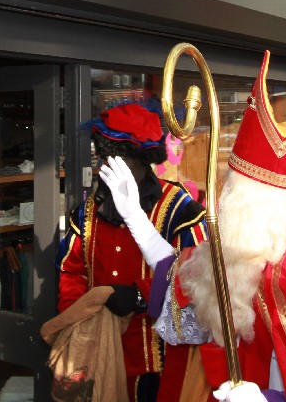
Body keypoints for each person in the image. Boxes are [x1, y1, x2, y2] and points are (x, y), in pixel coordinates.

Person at [103, 53, 286, 401]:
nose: (224, 202)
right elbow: (183, 280)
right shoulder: (244, 259)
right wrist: (136, 218)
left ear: (250, 204)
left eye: (232, 192)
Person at [57, 100, 207, 401]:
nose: (107, 167)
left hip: (158, 358)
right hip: (98, 350)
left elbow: (197, 278)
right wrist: (78, 317)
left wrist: (140, 295)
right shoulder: (86, 212)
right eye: (104, 158)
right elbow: (71, 271)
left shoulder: (181, 209)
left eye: (119, 158)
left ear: (142, 160)